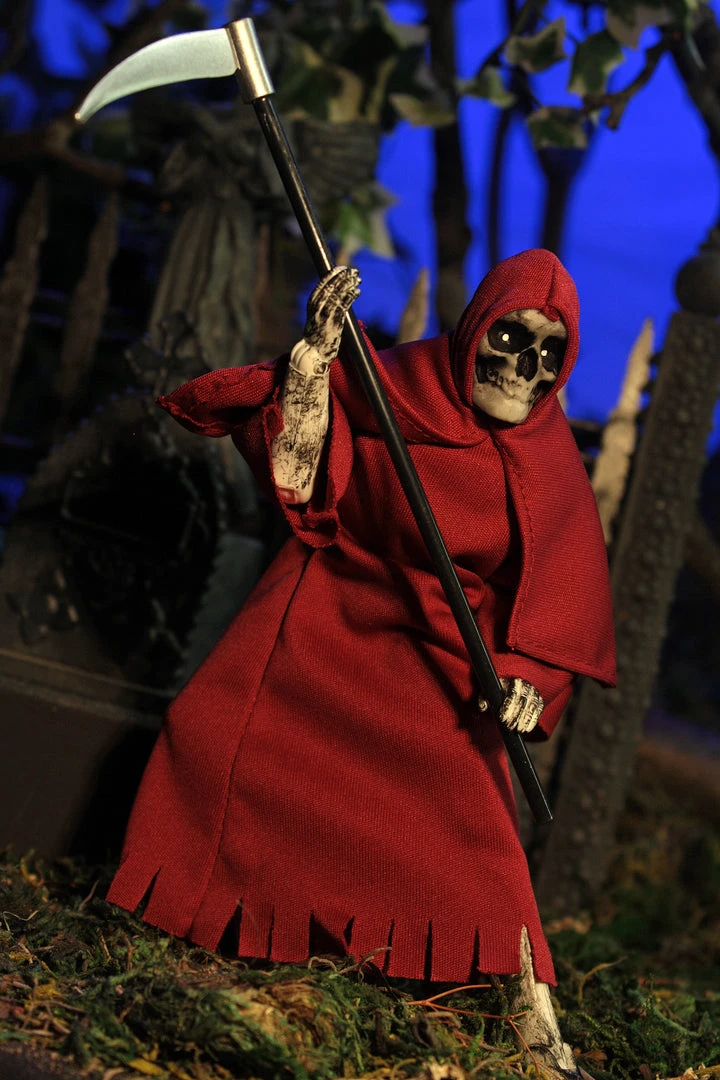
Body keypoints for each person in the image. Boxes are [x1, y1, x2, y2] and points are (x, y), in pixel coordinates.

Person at [108, 248, 616, 1075]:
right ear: (475, 328)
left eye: (548, 355)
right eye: (510, 338)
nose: (524, 369)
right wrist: (313, 363)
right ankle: (205, 925)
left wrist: (530, 680)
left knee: (482, 841)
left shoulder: (546, 457)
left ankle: (539, 1031)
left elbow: (554, 596)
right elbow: (300, 476)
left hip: (446, 665)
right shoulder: (388, 389)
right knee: (216, 743)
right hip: (328, 623)